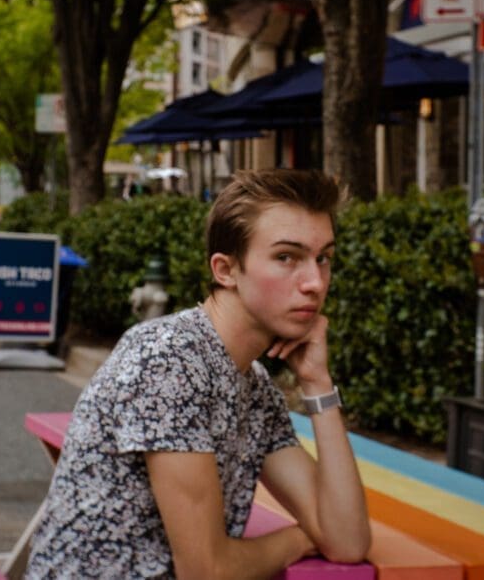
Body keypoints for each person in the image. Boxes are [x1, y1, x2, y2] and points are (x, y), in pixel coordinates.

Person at [26, 169, 371, 579]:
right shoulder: (168, 361)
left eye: (323, 258)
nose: (315, 282)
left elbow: (347, 541)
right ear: (225, 270)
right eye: (286, 257)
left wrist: (318, 384)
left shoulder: (254, 386)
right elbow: (207, 571)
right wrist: (299, 539)